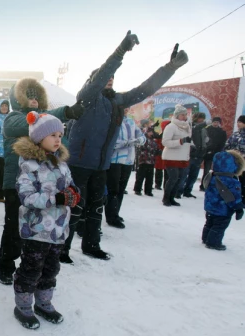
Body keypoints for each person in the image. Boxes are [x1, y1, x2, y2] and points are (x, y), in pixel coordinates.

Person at [61, 31, 188, 263]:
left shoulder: (116, 101)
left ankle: (91, 245)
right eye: (104, 77)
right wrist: (120, 52)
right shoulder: (86, 97)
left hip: (102, 165)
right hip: (79, 164)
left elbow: (145, 89)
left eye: (112, 79)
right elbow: (101, 76)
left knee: (96, 208)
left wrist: (170, 68)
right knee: (74, 207)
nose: (109, 80)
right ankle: (62, 249)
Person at [0, 78, 83, 284]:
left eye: (36, 96)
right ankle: (6, 265)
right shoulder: (13, 119)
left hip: (44, 188)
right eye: (29, 95)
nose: (33, 100)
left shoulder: (48, 125)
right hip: (16, 182)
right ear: (19, 98)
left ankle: (33, 265)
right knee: (13, 228)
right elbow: (32, 122)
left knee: (36, 229)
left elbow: (60, 150)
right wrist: (65, 112)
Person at [12, 112, 80, 329]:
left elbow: (69, 184)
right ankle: (23, 306)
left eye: (60, 134)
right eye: (52, 134)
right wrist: (56, 198)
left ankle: (44, 303)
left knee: (51, 268)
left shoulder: (61, 162)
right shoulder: (28, 165)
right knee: (31, 268)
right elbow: (26, 197)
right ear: (39, 138)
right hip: (36, 229)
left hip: (58, 229)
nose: (58, 139)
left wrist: (75, 193)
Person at [104, 107, 145, 228]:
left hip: (128, 160)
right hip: (115, 160)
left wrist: (139, 140)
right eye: (124, 107)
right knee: (113, 190)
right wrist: (129, 142)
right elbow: (112, 142)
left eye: (127, 107)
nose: (126, 109)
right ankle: (111, 217)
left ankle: (115, 213)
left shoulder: (130, 122)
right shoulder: (111, 121)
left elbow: (142, 136)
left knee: (121, 189)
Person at [202, 150, 244, 250]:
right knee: (219, 226)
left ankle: (205, 238)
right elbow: (234, 197)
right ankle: (213, 242)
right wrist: (239, 208)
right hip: (223, 209)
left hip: (210, 206)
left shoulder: (212, 176)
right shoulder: (232, 182)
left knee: (210, 222)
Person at [161, 104, 192, 207]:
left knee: (179, 179)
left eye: (185, 114)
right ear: (177, 115)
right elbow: (165, 142)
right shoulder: (171, 126)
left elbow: (188, 140)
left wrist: (192, 145)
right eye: (182, 115)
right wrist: (180, 141)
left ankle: (172, 198)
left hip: (182, 157)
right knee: (173, 178)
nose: (184, 116)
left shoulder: (187, 126)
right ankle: (166, 199)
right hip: (171, 157)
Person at [180, 112, 207, 198]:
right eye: (200, 118)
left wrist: (205, 148)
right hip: (190, 155)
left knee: (193, 176)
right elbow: (193, 130)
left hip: (199, 155)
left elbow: (205, 140)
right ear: (196, 118)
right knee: (184, 174)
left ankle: (188, 191)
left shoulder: (203, 129)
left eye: (203, 118)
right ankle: (179, 191)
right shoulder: (191, 126)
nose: (202, 120)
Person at [201, 117, 228, 190]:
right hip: (208, 153)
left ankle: (215, 185)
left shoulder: (222, 132)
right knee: (206, 170)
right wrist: (208, 150)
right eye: (214, 122)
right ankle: (203, 185)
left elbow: (223, 143)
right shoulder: (207, 130)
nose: (216, 124)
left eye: (217, 122)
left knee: (217, 170)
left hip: (217, 153)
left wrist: (219, 151)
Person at [133, 127, 161, 196]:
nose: (151, 133)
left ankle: (148, 191)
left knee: (150, 177)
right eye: (150, 132)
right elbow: (140, 148)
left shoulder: (153, 140)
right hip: (143, 160)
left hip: (151, 161)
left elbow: (156, 149)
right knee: (140, 176)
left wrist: (158, 151)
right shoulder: (143, 139)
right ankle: (137, 189)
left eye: (152, 132)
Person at [224, 115, 245, 200]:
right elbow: (227, 146)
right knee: (234, 181)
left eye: (241, 122)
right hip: (234, 162)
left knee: (243, 181)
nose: (238, 124)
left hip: (243, 162)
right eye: (238, 122)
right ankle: (235, 197)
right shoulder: (235, 134)